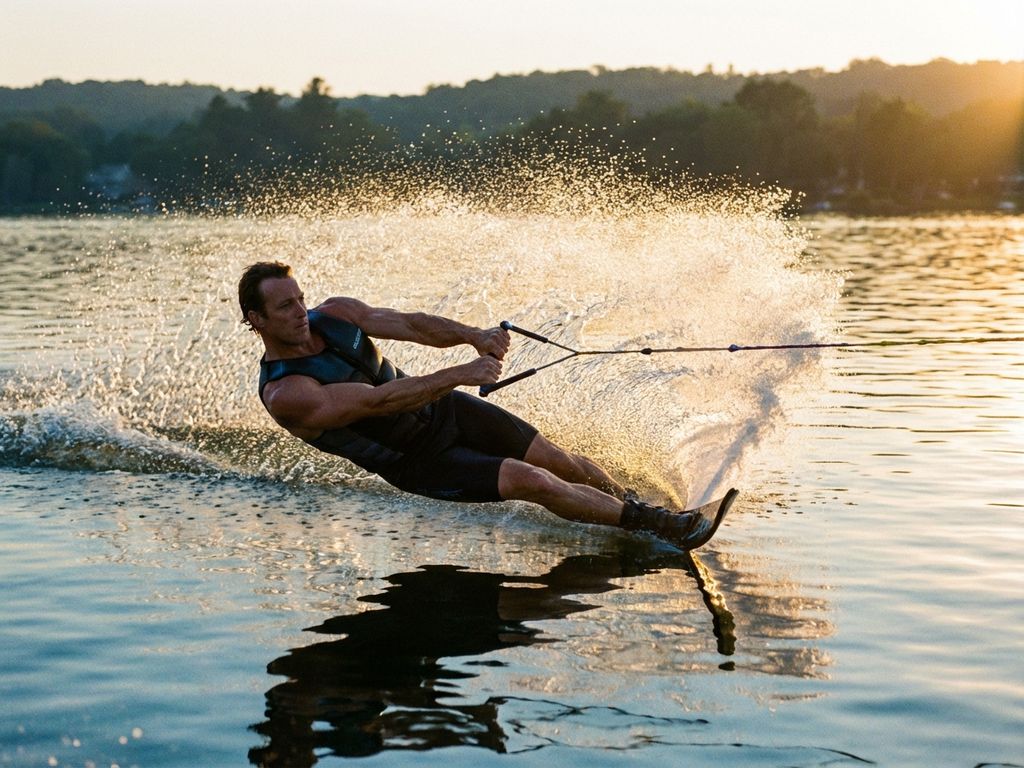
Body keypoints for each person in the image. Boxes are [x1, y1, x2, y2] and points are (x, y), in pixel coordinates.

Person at [239, 261, 722, 549]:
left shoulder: (337, 314)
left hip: (443, 409)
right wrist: (463, 375)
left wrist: (474, 337)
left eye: (300, 299)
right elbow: (380, 401)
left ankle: (639, 509)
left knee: (556, 459)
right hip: (419, 460)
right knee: (528, 479)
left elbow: (412, 326)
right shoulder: (288, 395)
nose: (301, 312)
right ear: (256, 319)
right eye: (285, 307)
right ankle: (661, 528)